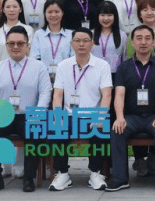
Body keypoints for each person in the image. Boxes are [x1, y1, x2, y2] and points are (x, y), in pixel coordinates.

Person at [0, 26, 52, 193]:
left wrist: (38, 115)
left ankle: (29, 178)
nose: (15, 47)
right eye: (11, 43)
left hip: (28, 115)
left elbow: (45, 92)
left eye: (20, 43)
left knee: (35, 131)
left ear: (28, 45)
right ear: (6, 45)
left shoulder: (39, 67)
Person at [105, 25, 155, 192]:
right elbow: (119, 95)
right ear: (132, 42)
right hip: (131, 117)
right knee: (117, 130)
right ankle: (120, 178)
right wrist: (120, 117)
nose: (143, 42)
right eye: (139, 38)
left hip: (153, 116)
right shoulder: (124, 67)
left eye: (147, 38)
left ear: (154, 42)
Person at [49, 28, 112, 191]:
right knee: (57, 128)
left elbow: (106, 94)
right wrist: (58, 116)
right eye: (77, 40)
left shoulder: (102, 65)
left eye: (85, 40)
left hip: (93, 114)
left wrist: (100, 116)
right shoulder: (63, 65)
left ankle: (95, 173)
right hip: (70, 115)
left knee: (100, 129)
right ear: (71, 43)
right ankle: (62, 173)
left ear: (92, 43)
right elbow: (57, 94)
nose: (81, 44)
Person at [31, 0, 72, 81]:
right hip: (43, 78)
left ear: (62, 13)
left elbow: (73, 59)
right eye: (50, 12)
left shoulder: (70, 35)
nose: (53, 15)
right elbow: (35, 59)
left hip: (66, 78)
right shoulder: (38, 34)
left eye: (57, 12)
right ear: (45, 14)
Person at [0, 0, 34, 64]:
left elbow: (29, 54)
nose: (11, 10)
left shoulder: (28, 30)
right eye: (8, 7)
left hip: (23, 68)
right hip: (2, 69)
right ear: (3, 10)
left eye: (15, 6)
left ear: (20, 9)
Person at [92, 1, 127, 74]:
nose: (106, 18)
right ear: (97, 16)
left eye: (109, 15)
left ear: (115, 16)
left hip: (115, 74)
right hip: (94, 74)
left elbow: (124, 59)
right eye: (102, 15)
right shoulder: (90, 35)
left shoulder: (122, 35)